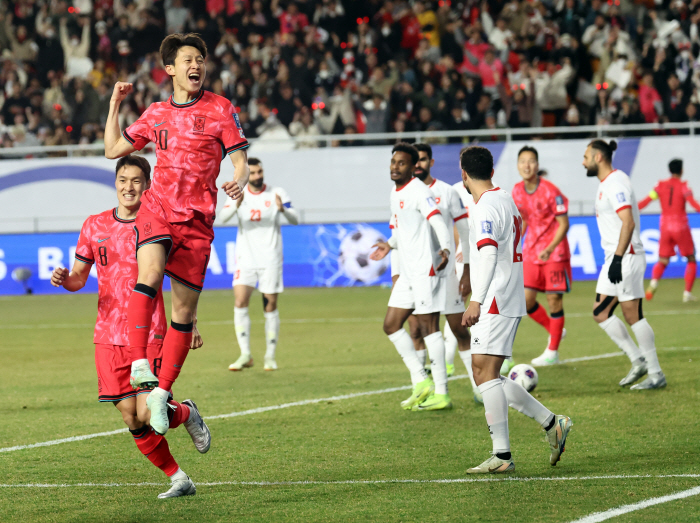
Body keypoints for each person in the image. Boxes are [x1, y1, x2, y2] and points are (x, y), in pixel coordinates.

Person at [103, 33, 250, 436]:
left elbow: (240, 160)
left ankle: (161, 393)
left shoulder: (221, 109)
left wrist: (238, 179)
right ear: (171, 68)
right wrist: (115, 103)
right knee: (146, 278)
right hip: (158, 213)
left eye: (200, 59)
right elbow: (114, 149)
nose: (196, 65)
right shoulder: (155, 113)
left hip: (198, 223)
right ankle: (138, 361)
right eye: (188, 59)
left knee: (183, 316)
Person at [50, 155, 210, 499]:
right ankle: (178, 478)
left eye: (136, 181)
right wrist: (65, 279)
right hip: (107, 334)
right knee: (131, 418)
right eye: (123, 180)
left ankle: (186, 412)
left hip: (148, 332)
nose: (129, 187)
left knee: (148, 412)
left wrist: (190, 320)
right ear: (116, 182)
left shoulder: (155, 226)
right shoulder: (93, 225)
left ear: (147, 186)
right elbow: (80, 277)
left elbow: (180, 284)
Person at [460, 146, 572, 474]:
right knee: (487, 372)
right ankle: (551, 425)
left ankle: (504, 455)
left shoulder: (484, 208)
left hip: (495, 297)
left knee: (482, 371)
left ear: (464, 173)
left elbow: (490, 255)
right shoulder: (505, 197)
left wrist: (477, 300)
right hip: (507, 293)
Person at [390, 143, 479, 403]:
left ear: (430, 161)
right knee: (418, 328)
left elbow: (464, 233)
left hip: (444, 272)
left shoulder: (447, 192)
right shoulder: (400, 192)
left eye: (422, 160)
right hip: (416, 273)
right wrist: (396, 271)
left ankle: (479, 386)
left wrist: (467, 272)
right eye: (413, 161)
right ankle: (429, 387)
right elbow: (399, 233)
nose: (417, 165)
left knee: (458, 330)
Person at [370, 143, 453, 411]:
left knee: (429, 328)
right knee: (391, 325)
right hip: (407, 272)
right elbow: (406, 229)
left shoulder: (419, 191)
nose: (395, 167)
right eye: (393, 162)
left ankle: (441, 392)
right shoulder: (395, 192)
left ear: (413, 167)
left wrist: (446, 248)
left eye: (401, 163)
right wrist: (390, 245)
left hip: (424, 270)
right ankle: (421, 378)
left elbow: (437, 220)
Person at [582, 140, 666, 389]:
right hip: (616, 257)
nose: (583, 161)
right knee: (601, 313)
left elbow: (627, 222)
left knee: (633, 315)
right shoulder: (607, 183)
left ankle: (655, 372)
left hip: (626, 256)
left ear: (598, 157)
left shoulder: (616, 182)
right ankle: (637, 360)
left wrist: (618, 258)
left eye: (586, 156)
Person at [219, 157, 299, 371]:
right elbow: (221, 218)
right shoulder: (239, 194)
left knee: (270, 305)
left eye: (259, 172)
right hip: (246, 259)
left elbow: (296, 219)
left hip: (270, 258)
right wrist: (236, 204)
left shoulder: (276, 193)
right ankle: (245, 353)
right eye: (252, 173)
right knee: (240, 301)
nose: (256, 176)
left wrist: (283, 210)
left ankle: (270, 356)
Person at [511, 146, 571, 366]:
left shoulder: (551, 191)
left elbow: (564, 224)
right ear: (518, 166)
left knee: (554, 300)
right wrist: (516, 242)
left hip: (555, 253)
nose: (527, 165)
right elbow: (525, 219)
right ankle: (555, 330)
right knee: (526, 302)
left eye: (531, 161)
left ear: (537, 165)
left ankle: (552, 351)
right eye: (523, 161)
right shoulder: (516, 191)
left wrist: (549, 247)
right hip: (531, 252)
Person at [638, 158, 700, 303]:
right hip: (680, 226)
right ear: (682, 170)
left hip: (665, 226)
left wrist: (633, 208)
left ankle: (653, 283)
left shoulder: (660, 185)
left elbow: (647, 200)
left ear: (669, 170)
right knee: (691, 259)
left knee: (663, 260)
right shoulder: (684, 186)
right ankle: (687, 293)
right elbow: (692, 202)